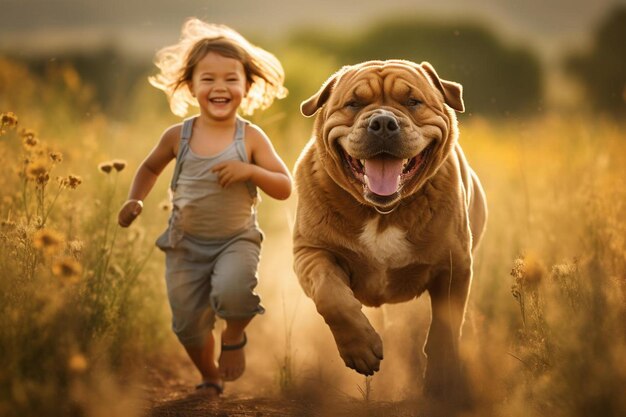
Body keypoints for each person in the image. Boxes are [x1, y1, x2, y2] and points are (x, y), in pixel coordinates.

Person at [117, 18, 292, 398]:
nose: (220, 87)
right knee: (188, 326)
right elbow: (149, 167)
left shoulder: (251, 138)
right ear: (190, 85)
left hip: (236, 240)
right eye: (208, 78)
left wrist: (249, 170)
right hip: (184, 246)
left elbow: (284, 186)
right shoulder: (177, 136)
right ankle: (209, 373)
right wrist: (136, 198)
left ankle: (234, 334)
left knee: (235, 294)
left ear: (247, 86)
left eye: (231, 78)